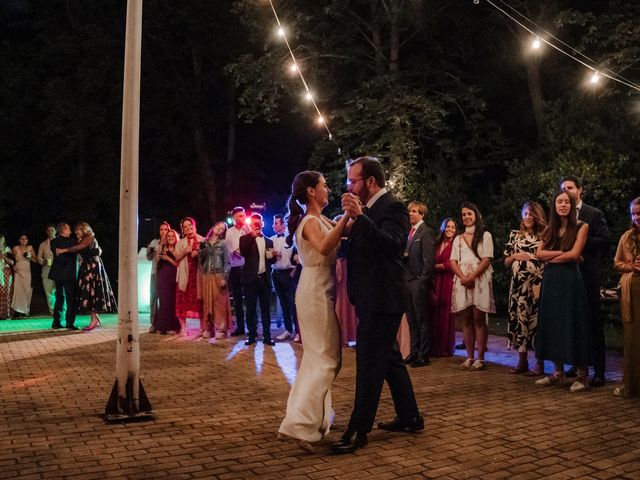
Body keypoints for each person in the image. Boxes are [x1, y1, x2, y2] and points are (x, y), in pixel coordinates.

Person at [331, 156, 422, 455]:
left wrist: (362, 217)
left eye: (352, 180)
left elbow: (395, 245)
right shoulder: (365, 210)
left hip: (384, 298)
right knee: (390, 360)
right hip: (369, 296)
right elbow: (360, 248)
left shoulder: (393, 206)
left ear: (370, 181)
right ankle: (410, 416)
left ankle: (359, 429)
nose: (348, 186)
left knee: (369, 364)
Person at [278, 171, 349, 453]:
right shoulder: (309, 222)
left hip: (321, 291)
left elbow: (344, 232)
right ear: (310, 191)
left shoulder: (320, 219)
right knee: (327, 360)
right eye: (324, 186)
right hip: (314, 292)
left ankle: (310, 421)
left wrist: (349, 217)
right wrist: (347, 215)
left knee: (318, 358)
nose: (328, 189)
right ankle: (299, 424)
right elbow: (324, 245)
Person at [535, 191, 591, 392]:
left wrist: (552, 258)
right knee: (553, 323)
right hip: (552, 281)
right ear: (554, 205)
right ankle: (557, 372)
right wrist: (561, 254)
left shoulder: (581, 226)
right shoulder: (550, 228)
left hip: (569, 281)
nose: (563, 205)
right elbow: (538, 253)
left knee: (573, 322)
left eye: (567, 201)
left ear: (572, 204)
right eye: (559, 201)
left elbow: (575, 254)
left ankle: (582, 376)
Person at [560, 175, 610, 387]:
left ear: (580, 190)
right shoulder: (561, 214)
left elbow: (605, 241)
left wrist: (580, 241)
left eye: (570, 188)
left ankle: (598, 370)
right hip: (568, 273)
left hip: (588, 273)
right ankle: (577, 364)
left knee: (592, 323)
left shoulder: (594, 214)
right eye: (563, 189)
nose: (567, 192)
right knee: (572, 321)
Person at [450, 203, 496, 371]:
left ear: (476, 215)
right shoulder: (458, 238)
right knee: (466, 318)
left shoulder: (485, 235)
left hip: (479, 278)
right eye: (463, 215)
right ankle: (469, 357)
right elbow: (453, 260)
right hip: (463, 279)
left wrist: (472, 276)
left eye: (469, 214)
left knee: (479, 317)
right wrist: (463, 277)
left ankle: (480, 358)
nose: (466, 217)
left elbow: (486, 259)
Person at [504, 202, 546, 375]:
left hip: (537, 285)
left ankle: (540, 363)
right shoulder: (515, 235)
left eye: (531, 214)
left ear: (537, 215)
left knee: (537, 322)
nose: (528, 217)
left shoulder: (544, 235)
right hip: (518, 287)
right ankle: (522, 361)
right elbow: (505, 262)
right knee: (520, 320)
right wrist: (515, 256)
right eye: (525, 213)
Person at [57, 222, 117, 331]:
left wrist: (63, 250)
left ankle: (94, 319)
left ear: (84, 229)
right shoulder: (82, 239)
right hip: (87, 267)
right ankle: (95, 318)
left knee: (92, 292)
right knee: (89, 293)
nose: (76, 232)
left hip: (92, 267)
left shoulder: (89, 237)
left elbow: (79, 248)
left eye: (78, 230)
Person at [612, 197, 640, 398]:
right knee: (632, 339)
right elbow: (617, 263)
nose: (636, 217)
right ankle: (632, 385)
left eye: (639, 213)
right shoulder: (627, 237)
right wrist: (632, 266)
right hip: (631, 292)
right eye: (633, 213)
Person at [403, 201, 436, 367]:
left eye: (415, 211)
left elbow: (429, 260)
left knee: (422, 320)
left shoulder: (425, 232)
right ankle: (414, 352)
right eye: (409, 211)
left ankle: (424, 354)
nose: (411, 214)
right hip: (407, 281)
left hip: (418, 282)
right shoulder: (409, 232)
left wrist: (423, 281)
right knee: (412, 320)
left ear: (422, 214)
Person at [239, 213, 276, 346]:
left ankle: (267, 336)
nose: (257, 225)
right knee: (250, 308)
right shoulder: (244, 239)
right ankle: (252, 335)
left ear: (262, 224)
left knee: (265, 309)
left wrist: (274, 257)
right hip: (250, 279)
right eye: (254, 223)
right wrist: (252, 236)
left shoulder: (269, 241)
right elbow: (243, 252)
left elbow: (270, 261)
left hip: (264, 279)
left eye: (259, 223)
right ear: (250, 225)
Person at [198, 221, 232, 339]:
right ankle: (209, 328)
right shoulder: (205, 242)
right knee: (208, 303)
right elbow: (200, 261)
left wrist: (225, 278)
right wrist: (200, 251)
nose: (219, 229)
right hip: (206, 275)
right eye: (218, 226)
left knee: (219, 303)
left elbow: (227, 262)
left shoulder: (223, 243)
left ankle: (220, 329)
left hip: (218, 275)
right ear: (214, 227)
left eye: (222, 229)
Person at [430, 218, 457, 357]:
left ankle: (444, 347)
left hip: (447, 281)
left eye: (453, 227)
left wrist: (433, 267)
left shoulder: (456, 244)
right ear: (443, 228)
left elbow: (451, 264)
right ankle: (433, 346)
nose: (450, 229)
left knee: (445, 313)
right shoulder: (437, 243)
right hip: (435, 281)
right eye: (448, 226)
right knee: (433, 312)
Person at [174, 217, 205, 337]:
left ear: (194, 226)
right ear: (183, 230)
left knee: (200, 301)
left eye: (189, 225)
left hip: (198, 274)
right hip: (184, 274)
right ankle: (183, 327)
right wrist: (185, 251)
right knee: (182, 301)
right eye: (185, 227)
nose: (188, 228)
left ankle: (203, 327)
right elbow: (176, 258)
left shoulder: (202, 240)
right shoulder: (180, 242)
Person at [270, 214, 296, 341]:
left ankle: (298, 331)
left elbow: (297, 256)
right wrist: (272, 255)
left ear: (282, 224)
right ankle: (287, 330)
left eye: (276, 223)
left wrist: (294, 270)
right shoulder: (271, 239)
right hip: (276, 272)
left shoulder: (291, 238)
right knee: (283, 303)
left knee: (292, 303)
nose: (273, 225)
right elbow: (269, 257)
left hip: (288, 272)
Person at [49, 223, 78, 329]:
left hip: (57, 273)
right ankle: (70, 322)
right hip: (68, 273)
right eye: (69, 229)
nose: (70, 232)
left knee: (59, 297)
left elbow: (57, 253)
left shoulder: (53, 242)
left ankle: (56, 321)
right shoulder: (72, 242)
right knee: (70, 298)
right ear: (64, 230)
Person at [226, 207, 250, 336]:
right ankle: (240, 327)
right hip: (235, 268)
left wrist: (248, 233)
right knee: (237, 299)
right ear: (234, 217)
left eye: (244, 215)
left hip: (247, 268)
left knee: (251, 298)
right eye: (240, 215)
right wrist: (235, 251)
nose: (243, 217)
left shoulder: (248, 230)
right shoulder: (229, 232)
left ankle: (252, 326)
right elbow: (230, 249)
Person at [155, 229, 181, 334]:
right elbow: (158, 262)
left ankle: (172, 327)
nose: (170, 238)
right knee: (163, 300)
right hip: (162, 276)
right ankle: (162, 326)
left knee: (171, 300)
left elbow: (178, 264)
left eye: (172, 236)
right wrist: (159, 254)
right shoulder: (162, 248)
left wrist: (168, 258)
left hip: (173, 276)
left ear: (175, 238)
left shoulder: (177, 249)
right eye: (168, 236)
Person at [146, 221, 170, 333]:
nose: (163, 231)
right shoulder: (155, 242)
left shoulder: (171, 241)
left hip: (166, 274)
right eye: (161, 229)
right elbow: (149, 258)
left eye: (165, 229)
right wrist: (149, 251)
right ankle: (154, 323)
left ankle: (164, 323)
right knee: (154, 298)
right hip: (155, 273)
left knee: (165, 299)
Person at [11, 234, 37, 318]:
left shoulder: (30, 248)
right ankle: (17, 311)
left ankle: (25, 311)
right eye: (22, 239)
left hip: (27, 271)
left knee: (27, 290)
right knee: (18, 291)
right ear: (19, 240)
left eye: (25, 239)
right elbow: (11, 259)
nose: (24, 240)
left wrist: (30, 258)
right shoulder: (15, 248)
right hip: (18, 271)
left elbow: (35, 260)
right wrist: (13, 267)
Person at [37, 225, 57, 315]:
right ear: (46, 232)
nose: (51, 231)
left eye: (52, 230)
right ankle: (52, 311)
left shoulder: (60, 241)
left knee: (60, 291)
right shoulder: (43, 244)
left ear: (55, 231)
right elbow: (38, 257)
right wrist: (42, 261)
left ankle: (61, 310)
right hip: (47, 270)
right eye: (49, 230)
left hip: (59, 270)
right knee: (49, 292)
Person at [0, 234, 15, 320]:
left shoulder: (8, 249)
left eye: (1, 239)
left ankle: (7, 313)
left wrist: (3, 257)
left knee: (7, 292)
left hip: (6, 272)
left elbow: (12, 262)